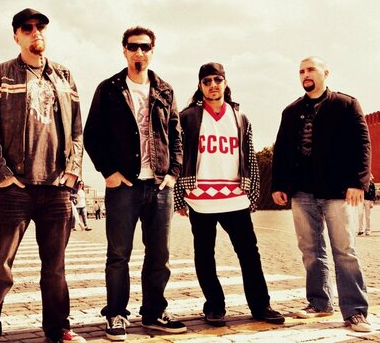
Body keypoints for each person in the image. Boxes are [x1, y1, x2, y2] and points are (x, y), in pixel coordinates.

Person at [0, 8, 84, 343]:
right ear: (16, 35)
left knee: (55, 268)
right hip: (16, 188)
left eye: (41, 27)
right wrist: (2, 175)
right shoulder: (1, 75)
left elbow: (77, 130)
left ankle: (59, 328)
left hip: (55, 188)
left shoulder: (63, 75)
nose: (36, 33)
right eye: (27, 28)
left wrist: (72, 172)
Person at [84, 26, 185, 341]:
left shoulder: (164, 89)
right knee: (119, 254)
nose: (139, 53)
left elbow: (176, 134)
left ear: (152, 50)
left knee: (159, 254)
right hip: (124, 186)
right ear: (124, 50)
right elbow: (92, 135)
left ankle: (154, 313)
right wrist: (108, 172)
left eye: (144, 47)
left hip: (158, 185)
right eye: (133, 47)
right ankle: (116, 314)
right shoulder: (109, 88)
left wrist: (173, 173)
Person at [174, 62, 284, 327]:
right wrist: (179, 196)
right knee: (204, 254)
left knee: (249, 253)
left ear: (225, 83)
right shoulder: (187, 117)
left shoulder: (240, 117)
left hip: (234, 196)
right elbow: (177, 156)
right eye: (207, 81)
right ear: (200, 86)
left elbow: (249, 158)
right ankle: (214, 306)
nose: (213, 85)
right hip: (199, 197)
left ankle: (260, 306)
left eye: (217, 80)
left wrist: (253, 193)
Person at [271, 56, 372, 332]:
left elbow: (363, 144)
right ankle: (319, 302)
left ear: (325, 73)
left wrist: (358, 182)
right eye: (301, 70)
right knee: (310, 250)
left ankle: (355, 311)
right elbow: (281, 151)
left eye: (311, 69)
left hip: (338, 190)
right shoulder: (291, 111)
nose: (305, 74)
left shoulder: (345, 104)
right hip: (302, 191)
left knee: (345, 250)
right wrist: (279, 186)